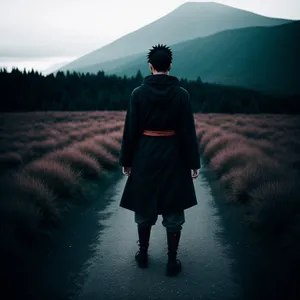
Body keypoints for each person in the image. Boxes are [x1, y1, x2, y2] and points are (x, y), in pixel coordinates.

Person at [119, 44, 200, 277]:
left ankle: (143, 255)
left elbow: (130, 130)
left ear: (150, 66)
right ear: (170, 66)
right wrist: (193, 162)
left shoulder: (138, 93)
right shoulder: (182, 94)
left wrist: (127, 160)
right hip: (174, 156)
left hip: (145, 154)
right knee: (173, 208)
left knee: (145, 205)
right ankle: (172, 262)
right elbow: (188, 132)